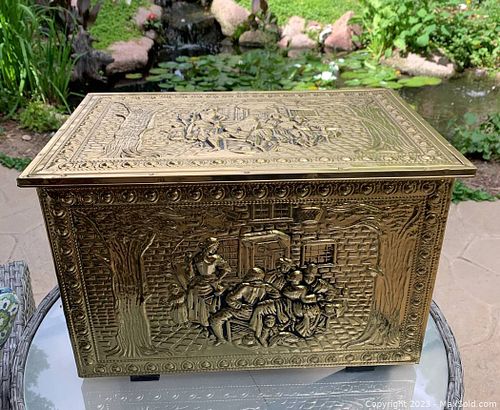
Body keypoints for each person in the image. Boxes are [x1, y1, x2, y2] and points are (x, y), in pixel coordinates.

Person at [209, 267, 280, 345]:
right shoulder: (265, 287)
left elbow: (230, 299)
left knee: (215, 319)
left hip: (244, 312)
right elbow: (277, 295)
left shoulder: (245, 286)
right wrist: (268, 286)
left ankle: (220, 339)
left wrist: (239, 306)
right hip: (259, 314)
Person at [185, 237, 231, 327]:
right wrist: (189, 263)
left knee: (211, 294)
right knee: (192, 292)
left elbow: (226, 269)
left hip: (212, 281)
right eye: (214, 247)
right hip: (200, 280)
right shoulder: (197, 258)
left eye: (216, 247)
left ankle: (207, 319)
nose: (215, 249)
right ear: (209, 246)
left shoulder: (216, 258)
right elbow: (191, 275)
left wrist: (219, 278)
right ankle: (196, 319)